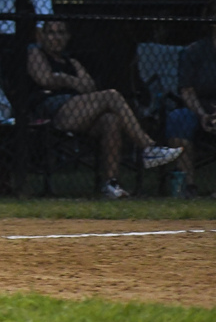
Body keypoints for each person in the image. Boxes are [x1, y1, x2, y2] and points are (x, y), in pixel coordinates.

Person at [27, 20, 179, 200]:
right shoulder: (35, 53)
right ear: (42, 36)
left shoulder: (72, 62)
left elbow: (89, 87)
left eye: (61, 33)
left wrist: (62, 78)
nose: (56, 37)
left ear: (68, 37)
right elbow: (45, 80)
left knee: (111, 120)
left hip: (78, 108)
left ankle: (111, 184)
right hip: (51, 110)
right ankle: (147, 147)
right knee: (112, 96)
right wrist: (72, 81)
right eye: (51, 33)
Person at [166, 0, 216, 198]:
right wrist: (201, 114)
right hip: (198, 107)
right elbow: (186, 90)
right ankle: (187, 186)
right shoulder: (195, 51)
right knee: (178, 118)